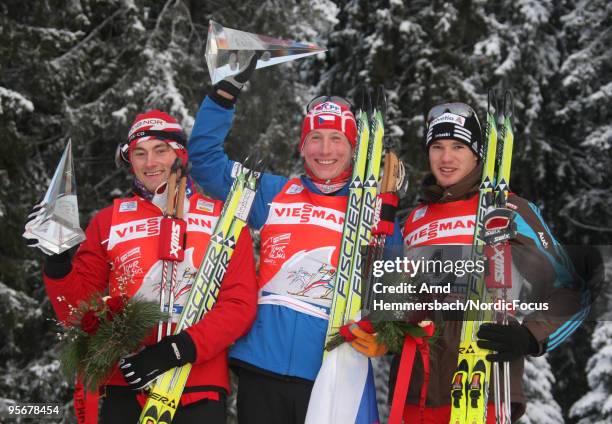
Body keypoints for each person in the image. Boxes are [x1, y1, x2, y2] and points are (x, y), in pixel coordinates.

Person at [187, 60, 403, 423]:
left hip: (330, 373)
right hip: (260, 368)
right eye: (315, 138)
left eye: (337, 139)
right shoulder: (273, 193)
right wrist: (224, 95)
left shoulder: (371, 210)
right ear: (302, 147)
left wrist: (384, 332)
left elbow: (394, 291)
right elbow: (205, 162)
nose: (325, 150)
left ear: (353, 149)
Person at [28, 110, 258, 423]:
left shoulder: (224, 219)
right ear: (130, 160)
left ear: (180, 153)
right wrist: (57, 264)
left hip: (197, 381)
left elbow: (239, 304)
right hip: (126, 380)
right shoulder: (109, 220)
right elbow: (78, 311)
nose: (150, 163)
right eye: (140, 153)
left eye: (160, 150)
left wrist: (179, 349)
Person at [386, 102, 588, 423]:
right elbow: (397, 298)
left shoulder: (508, 209)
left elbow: (574, 292)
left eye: (458, 146)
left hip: (482, 386)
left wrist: (529, 336)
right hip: (416, 391)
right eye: (437, 146)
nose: (446, 158)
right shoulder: (415, 219)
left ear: (478, 153)